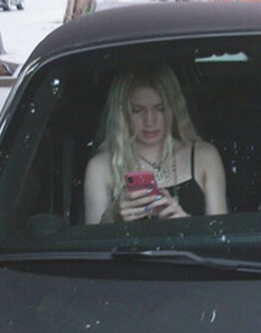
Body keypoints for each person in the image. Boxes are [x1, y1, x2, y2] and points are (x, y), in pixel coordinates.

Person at [84, 63, 228, 224]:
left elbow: (220, 232)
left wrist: (185, 223)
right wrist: (112, 215)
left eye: (160, 109)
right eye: (138, 110)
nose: (150, 121)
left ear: (174, 109)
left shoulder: (204, 157)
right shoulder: (101, 167)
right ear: (122, 113)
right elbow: (91, 238)